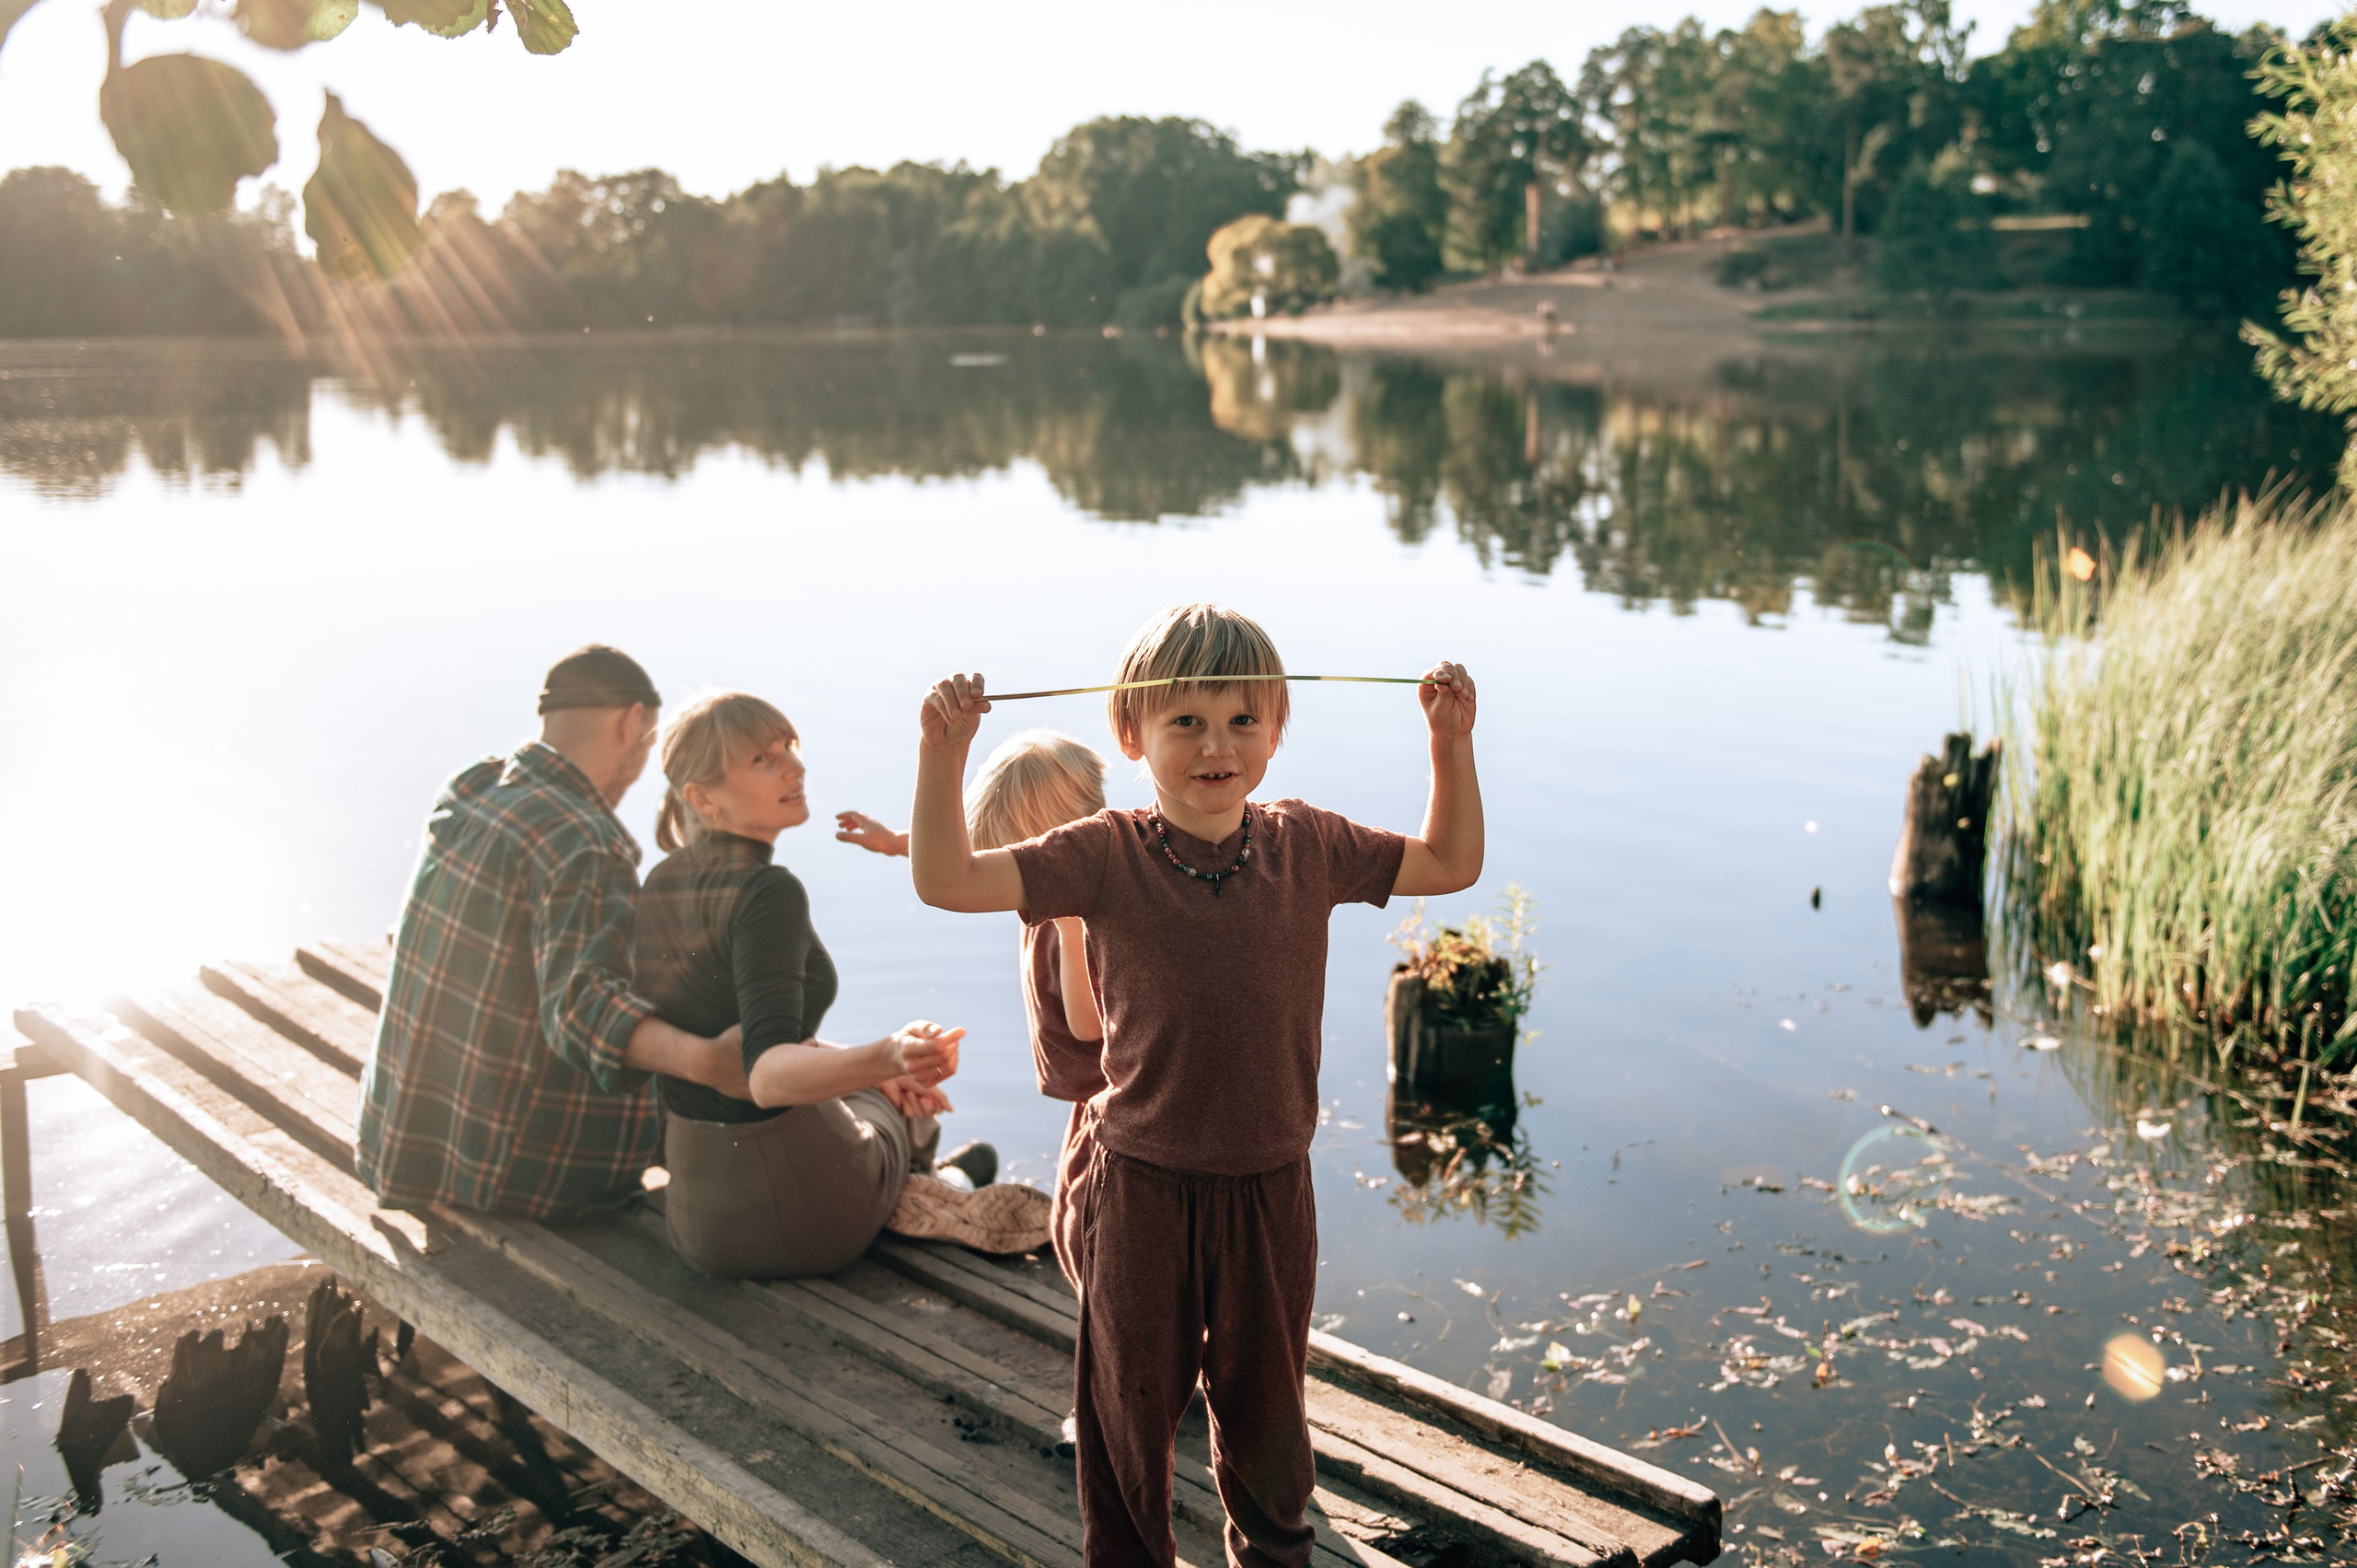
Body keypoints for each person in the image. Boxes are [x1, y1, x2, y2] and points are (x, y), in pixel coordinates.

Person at [909, 605, 1481, 1568]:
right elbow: (947, 880)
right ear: (1131, 734)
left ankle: (1275, 1553)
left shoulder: (1310, 842)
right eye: (1185, 721)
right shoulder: (1102, 850)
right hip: (1141, 1187)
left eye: (1241, 719)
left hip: (1269, 1184)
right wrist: (942, 753)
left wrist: (1447, 742)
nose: (1217, 744)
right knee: (1129, 1412)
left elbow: (1452, 863)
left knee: (1267, 1406)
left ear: (1276, 728)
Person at [639, 691, 1051, 1275]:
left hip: (698, 1209)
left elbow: (733, 1036)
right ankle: (939, 1186)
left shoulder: (660, 881)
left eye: (789, 748)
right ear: (701, 798)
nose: (795, 766)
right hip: (791, 1217)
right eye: (763, 759)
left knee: (877, 1087)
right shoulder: (767, 892)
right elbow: (767, 1076)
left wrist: (880, 1071)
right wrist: (892, 1057)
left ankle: (912, 1176)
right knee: (914, 1110)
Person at [357, 645, 749, 1221]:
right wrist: (705, 1061)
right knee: (774, 1093)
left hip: (405, 1148)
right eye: (647, 744)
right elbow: (581, 1006)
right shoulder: (587, 842)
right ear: (631, 721)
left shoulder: (471, 789)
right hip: (518, 1177)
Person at [838, 729, 1108, 1289]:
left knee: (1087, 1215)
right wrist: (895, 842)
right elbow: (971, 861)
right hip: (1088, 1095)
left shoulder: (1092, 913)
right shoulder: (1054, 870)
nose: (1006, 882)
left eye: (1020, 863)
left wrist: (1070, 924)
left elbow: (1088, 1027)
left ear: (1061, 851)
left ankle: (1110, 1308)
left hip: (1109, 1097)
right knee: (1075, 1212)